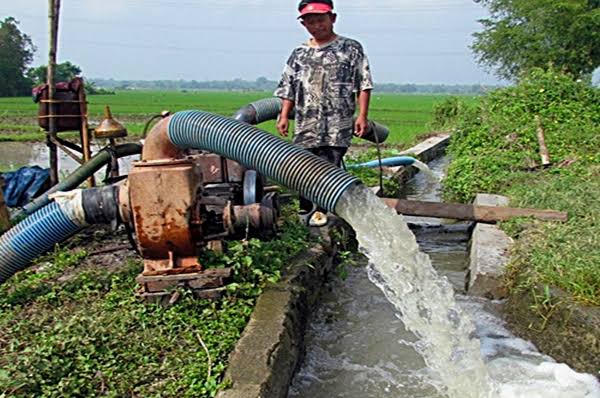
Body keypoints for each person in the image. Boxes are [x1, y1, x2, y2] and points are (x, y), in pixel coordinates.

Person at [274, 0, 373, 227]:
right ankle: (305, 214)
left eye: (320, 20)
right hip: (306, 124)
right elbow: (287, 88)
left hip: (338, 124)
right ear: (303, 24)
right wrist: (283, 115)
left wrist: (362, 116)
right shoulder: (299, 53)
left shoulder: (351, 48)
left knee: (329, 167)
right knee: (301, 168)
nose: (316, 25)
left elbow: (364, 84)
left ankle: (325, 214)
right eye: (310, 22)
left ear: (333, 19)